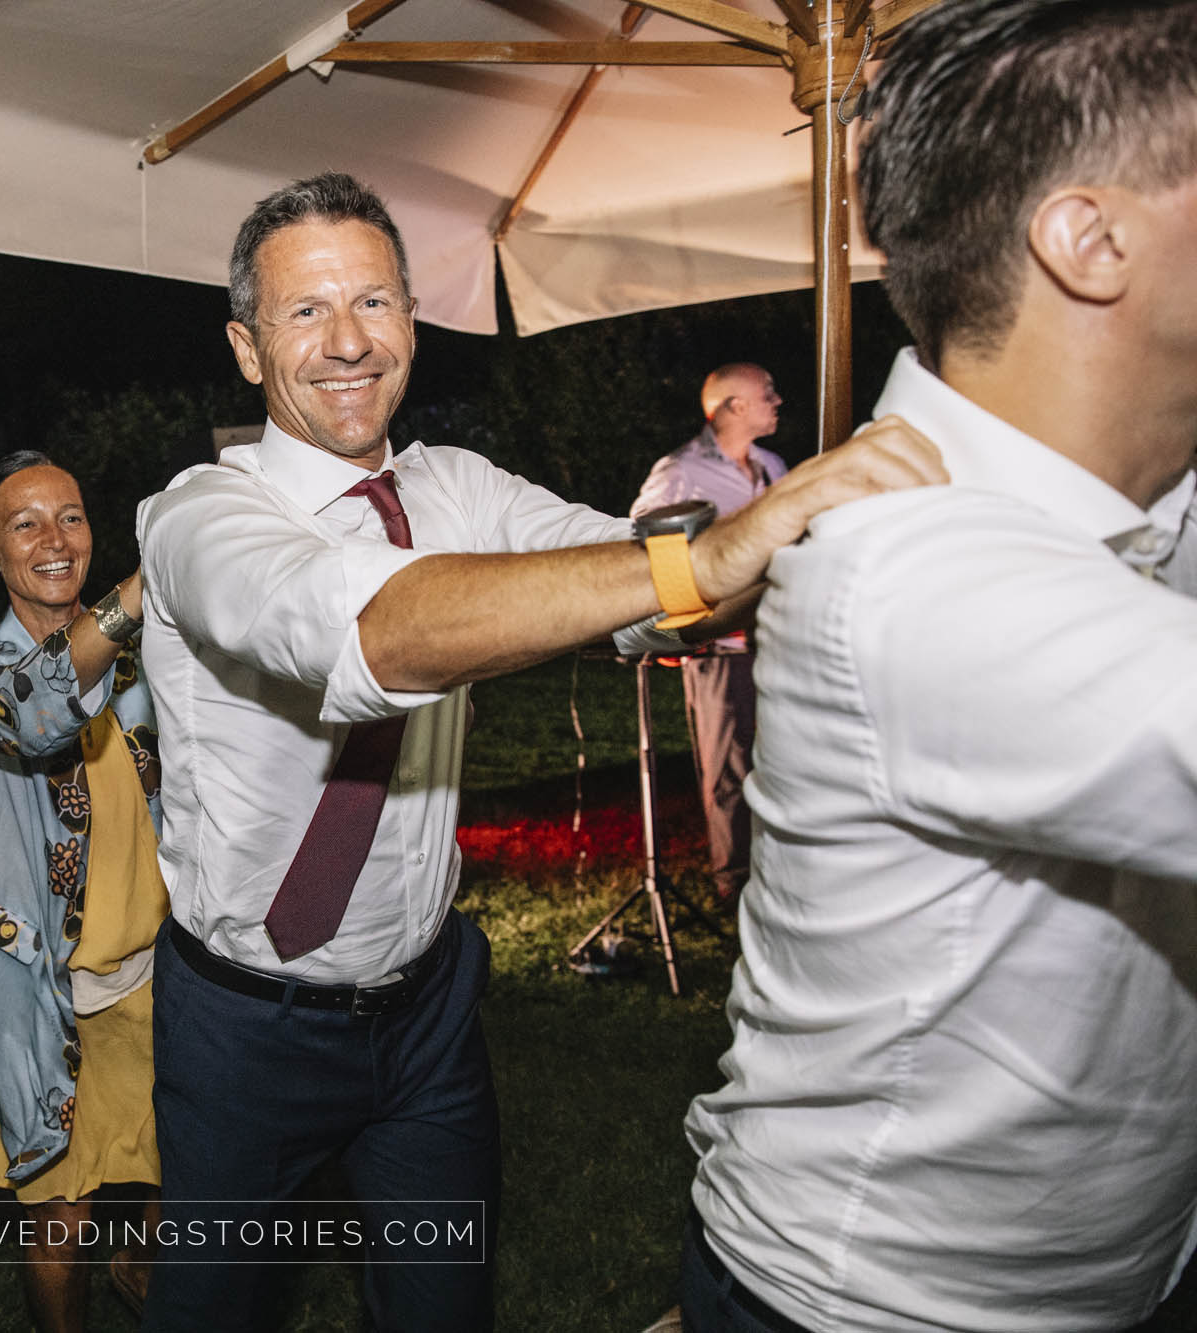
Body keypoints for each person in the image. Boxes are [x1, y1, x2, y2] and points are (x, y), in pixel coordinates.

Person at [134, 171, 945, 1332]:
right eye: (304, 312)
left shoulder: (455, 487)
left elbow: (639, 579)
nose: (348, 341)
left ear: (412, 320)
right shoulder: (196, 518)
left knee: (442, 1308)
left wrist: (815, 521)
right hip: (245, 1029)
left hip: (425, 1017)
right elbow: (368, 628)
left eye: (373, 301)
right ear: (247, 349)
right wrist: (700, 563)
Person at [680, 3, 1197, 1330]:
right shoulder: (908, 568)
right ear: (1088, 241)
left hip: (1117, 1275)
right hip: (877, 1302)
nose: (771, 410)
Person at [0, 452, 160, 1332]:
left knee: (169, 1185)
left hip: (157, 977)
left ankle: (142, 1282)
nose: (55, 539)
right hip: (44, 999)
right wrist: (148, 581)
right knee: (60, 1220)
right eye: (26, 524)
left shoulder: (141, 664)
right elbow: (37, 708)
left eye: (70, 515)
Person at [630, 364, 789, 899]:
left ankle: (778, 875)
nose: (778, 400)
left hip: (776, 640)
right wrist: (677, 621)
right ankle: (735, 883)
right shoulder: (681, 471)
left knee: (781, 762)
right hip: (719, 644)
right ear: (732, 407)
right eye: (767, 394)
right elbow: (643, 543)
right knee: (729, 768)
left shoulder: (770, 465)